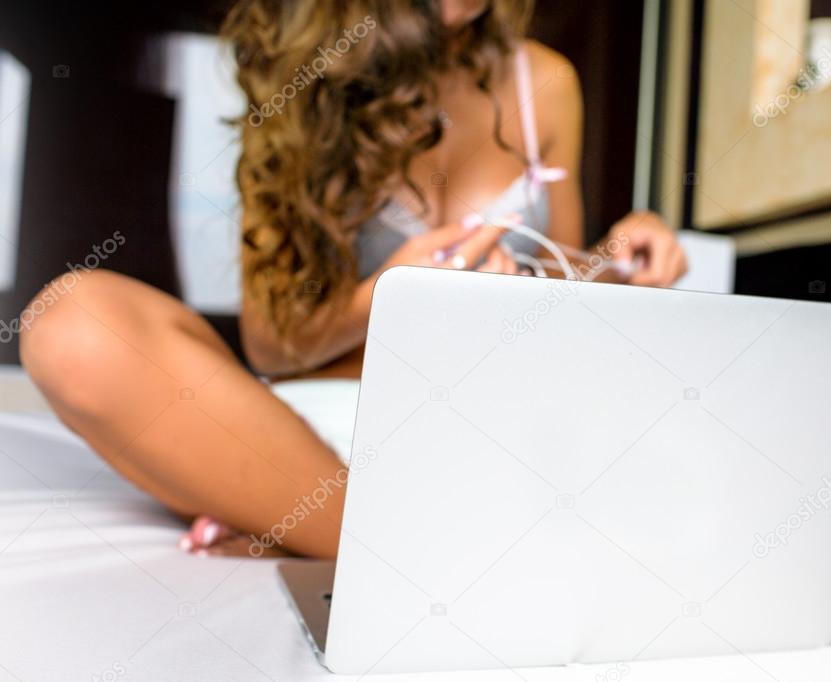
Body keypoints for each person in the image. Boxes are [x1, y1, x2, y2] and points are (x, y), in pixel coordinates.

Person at [19, 0, 686, 558]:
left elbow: (558, 289)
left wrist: (617, 259)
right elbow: (273, 347)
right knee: (74, 325)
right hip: (327, 436)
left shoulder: (545, 82)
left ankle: (316, 531)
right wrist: (391, 289)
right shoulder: (301, 78)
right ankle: (365, 532)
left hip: (494, 420)